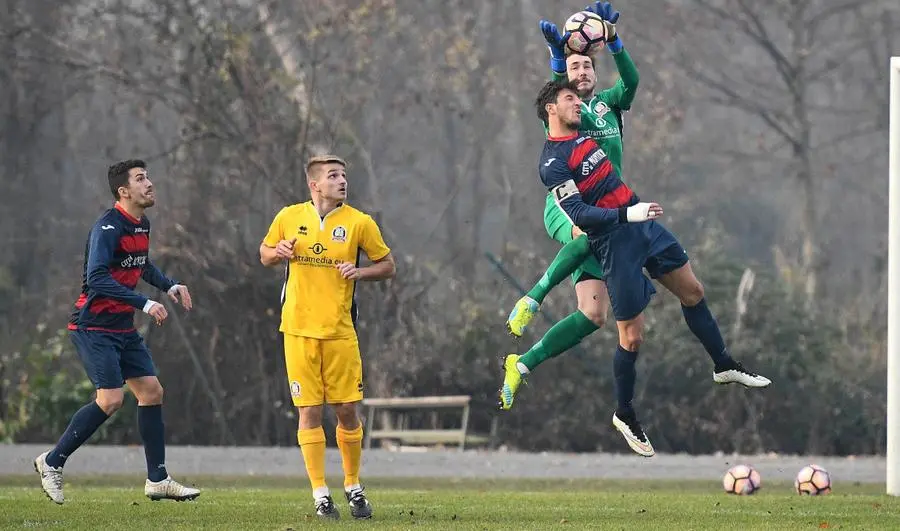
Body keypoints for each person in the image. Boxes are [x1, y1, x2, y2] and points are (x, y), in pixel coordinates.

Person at [498, 80, 771, 457]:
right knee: (630, 337)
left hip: (641, 223)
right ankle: (624, 413)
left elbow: (623, 85)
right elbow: (578, 214)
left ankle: (723, 364)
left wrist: (611, 41)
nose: (578, 103)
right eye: (570, 99)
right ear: (550, 110)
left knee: (693, 291)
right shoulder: (552, 163)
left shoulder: (585, 132)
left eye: (579, 98)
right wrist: (627, 213)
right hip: (614, 240)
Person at [34, 160, 200, 504]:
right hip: (92, 326)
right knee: (110, 399)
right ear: (123, 191)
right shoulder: (107, 228)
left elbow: (141, 263)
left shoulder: (142, 225)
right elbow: (96, 278)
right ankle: (52, 462)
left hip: (121, 327)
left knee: (151, 391)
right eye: (141, 179)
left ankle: (157, 479)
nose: (150, 183)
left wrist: (169, 285)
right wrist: (144, 304)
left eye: (147, 176)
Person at [260, 154, 395, 520]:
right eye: (333, 175)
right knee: (308, 411)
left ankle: (352, 485)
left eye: (344, 175)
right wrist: (278, 252)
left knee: (347, 411)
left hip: (339, 332)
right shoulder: (289, 217)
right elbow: (264, 253)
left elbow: (387, 265)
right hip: (298, 331)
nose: (341, 181)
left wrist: (360, 272)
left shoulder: (359, 223)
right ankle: (320, 493)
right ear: (314, 184)